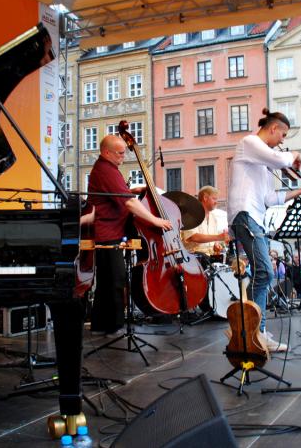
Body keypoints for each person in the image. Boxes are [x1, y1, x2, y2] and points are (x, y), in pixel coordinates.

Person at [228, 109, 301, 352]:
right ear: (274, 128)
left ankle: (249, 329)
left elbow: (270, 198)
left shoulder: (264, 164)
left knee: (262, 273)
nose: (282, 141)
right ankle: (254, 331)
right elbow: (281, 159)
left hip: (255, 217)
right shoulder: (250, 142)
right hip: (245, 214)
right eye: (283, 135)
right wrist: (295, 155)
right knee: (265, 272)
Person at [87, 134, 172, 335]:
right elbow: (129, 203)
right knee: (115, 280)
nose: (123, 156)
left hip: (111, 231)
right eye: (120, 153)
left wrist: (132, 190)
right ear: (106, 152)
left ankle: (101, 325)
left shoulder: (107, 168)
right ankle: (113, 326)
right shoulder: (106, 170)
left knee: (107, 281)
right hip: (107, 233)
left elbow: (119, 195)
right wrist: (155, 220)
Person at [182, 185, 230, 266]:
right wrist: (218, 237)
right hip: (194, 258)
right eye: (214, 198)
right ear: (205, 198)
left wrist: (216, 246)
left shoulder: (213, 218)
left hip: (209, 258)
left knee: (231, 262)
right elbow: (193, 237)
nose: (216, 202)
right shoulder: (191, 215)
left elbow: (214, 241)